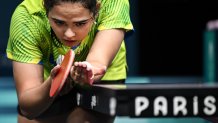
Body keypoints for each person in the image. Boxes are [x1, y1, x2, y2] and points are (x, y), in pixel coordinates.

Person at [6, 0, 133, 122]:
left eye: (80, 23)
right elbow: (28, 108)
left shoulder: (114, 2)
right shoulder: (26, 17)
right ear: (45, 7)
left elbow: (98, 61)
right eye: (59, 22)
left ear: (97, 9)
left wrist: (88, 72)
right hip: (51, 78)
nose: (69, 34)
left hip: (103, 77)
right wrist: (54, 83)